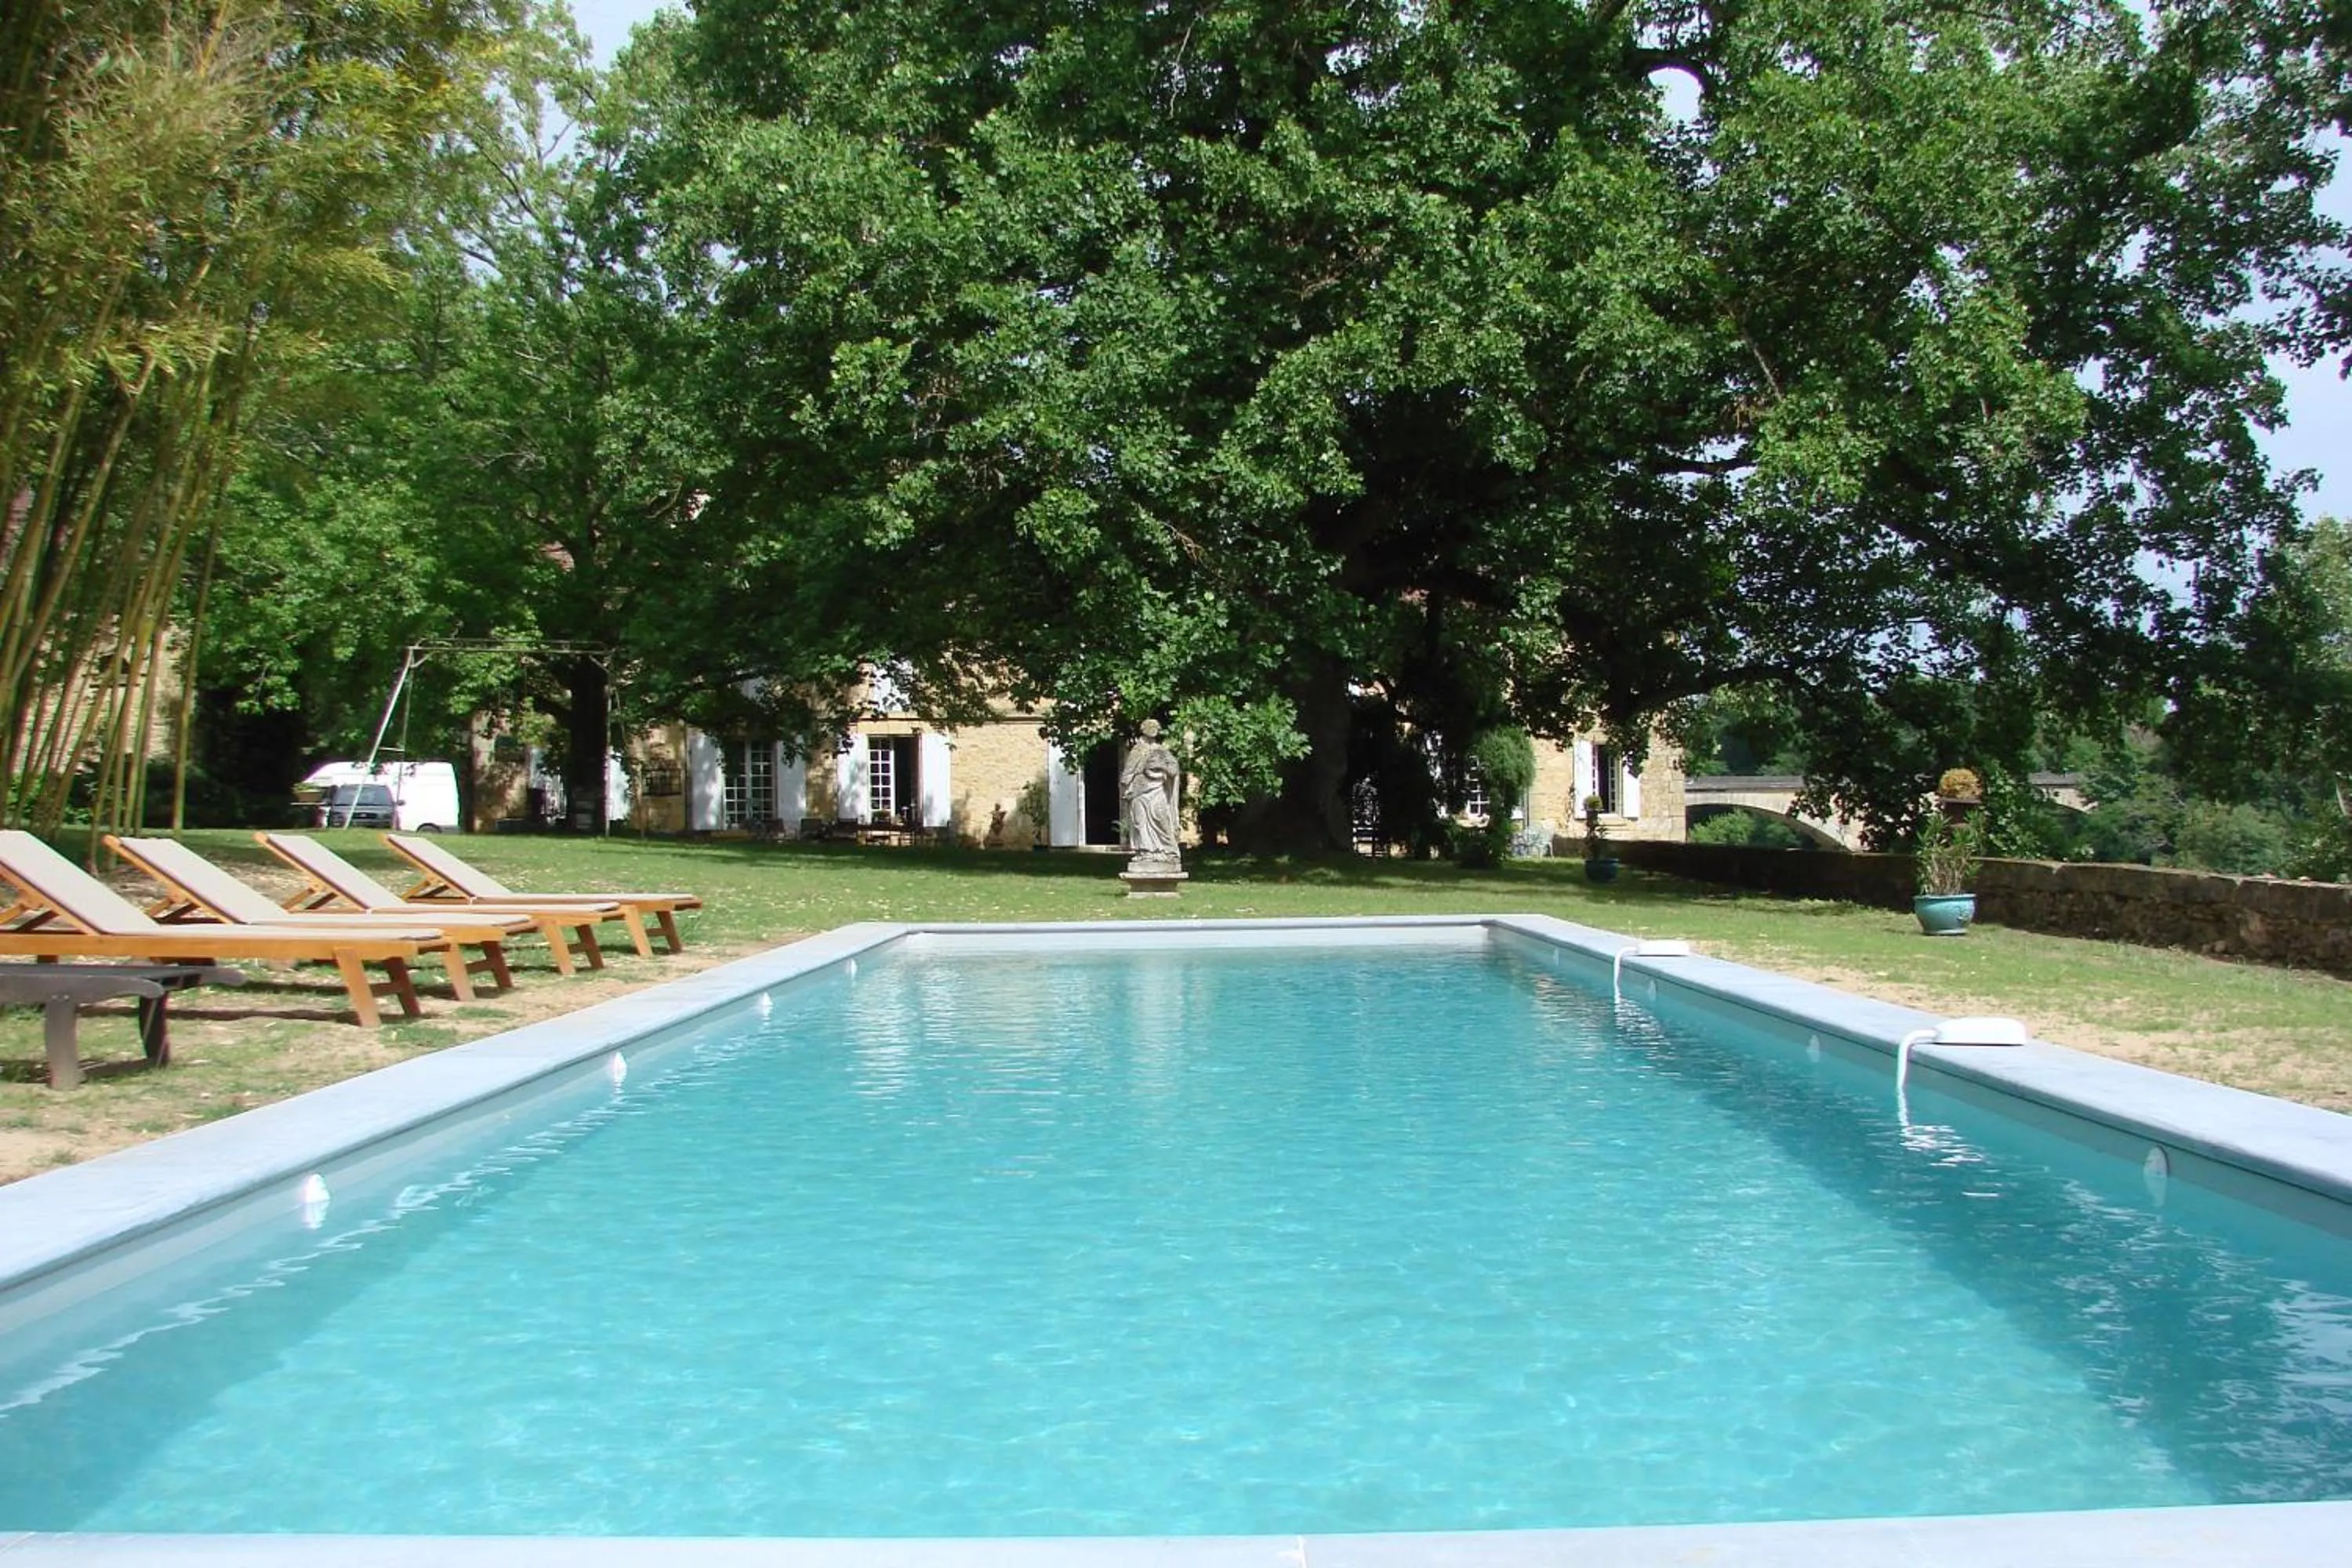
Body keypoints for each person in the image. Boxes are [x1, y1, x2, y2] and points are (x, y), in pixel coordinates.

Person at [1120, 719, 1181, 866]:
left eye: (1156, 727)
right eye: (1150, 726)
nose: (1154, 729)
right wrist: (1127, 788)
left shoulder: (1161, 750)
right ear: (1144, 729)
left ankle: (1168, 850)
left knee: (1160, 817)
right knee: (1140, 822)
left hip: (1157, 788)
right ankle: (1145, 852)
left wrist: (1163, 767)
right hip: (1139, 791)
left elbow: (1174, 769)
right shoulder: (1137, 750)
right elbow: (1128, 773)